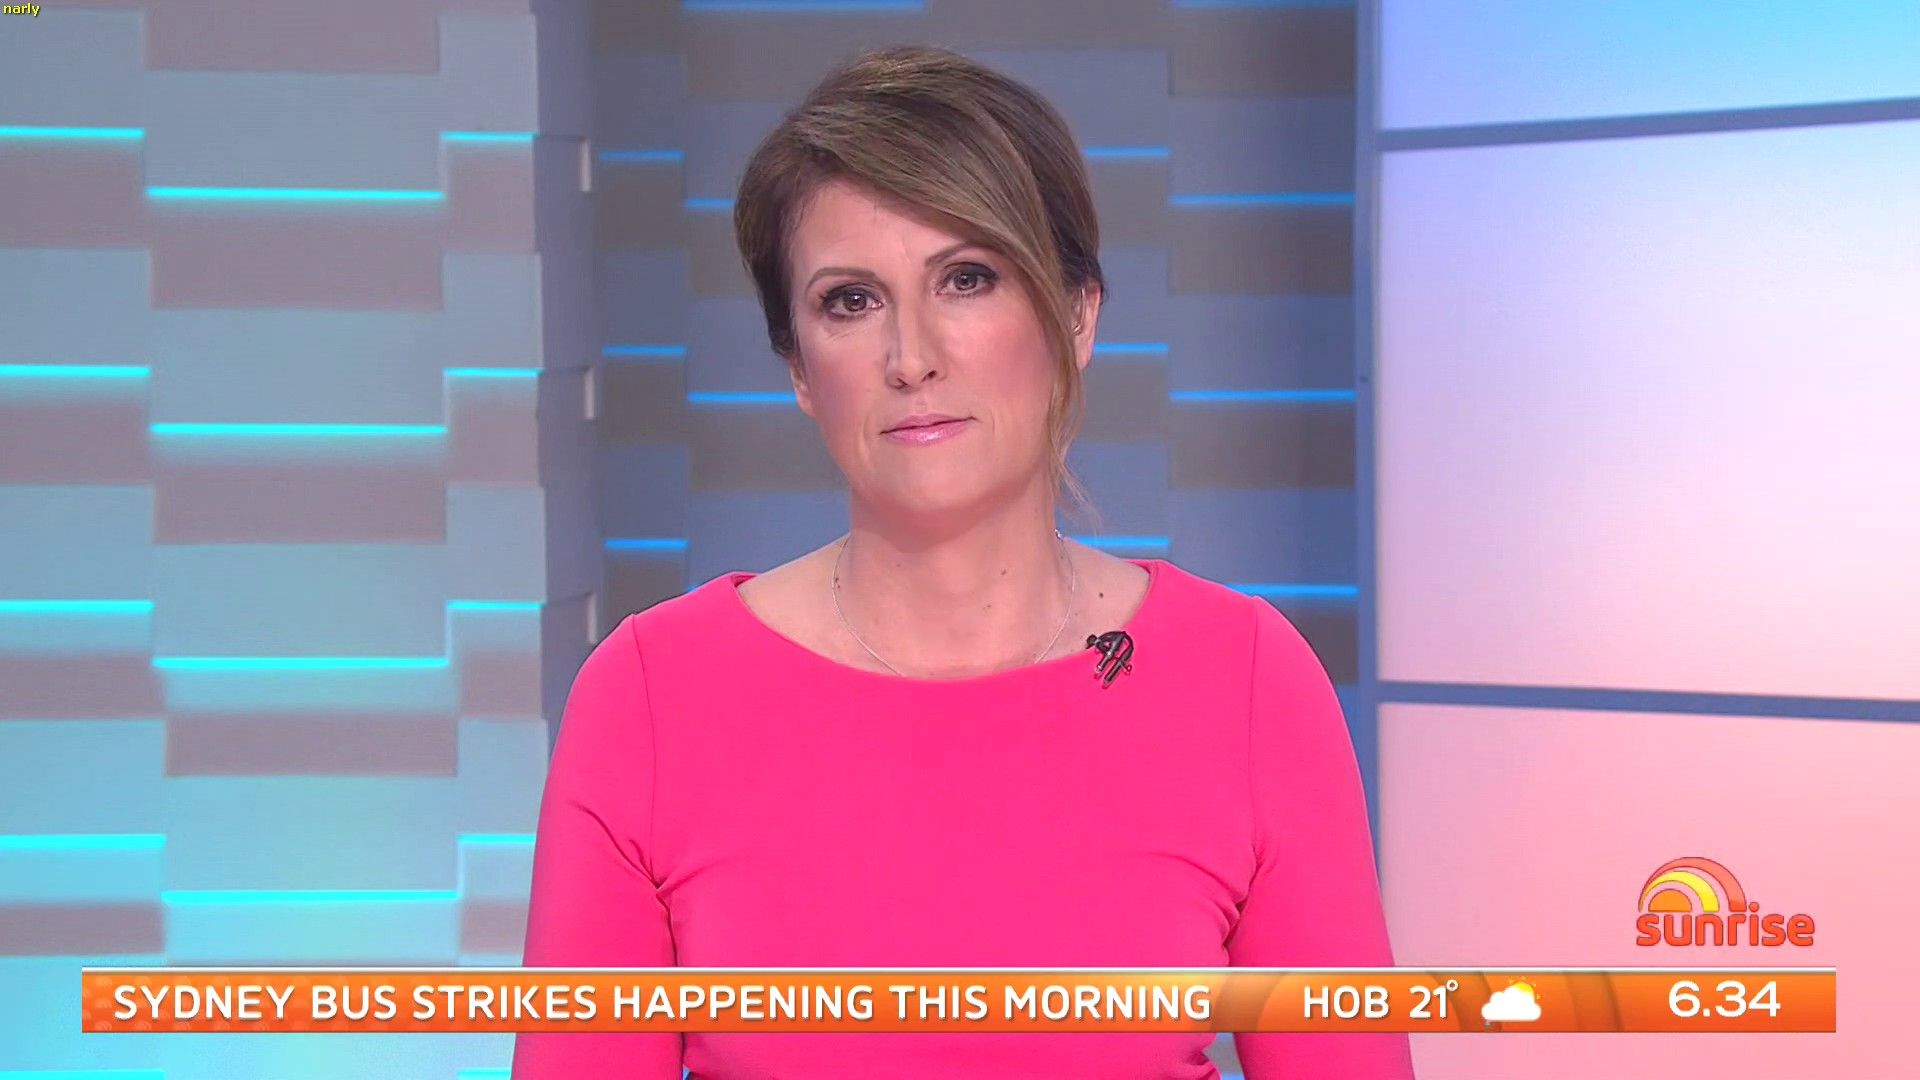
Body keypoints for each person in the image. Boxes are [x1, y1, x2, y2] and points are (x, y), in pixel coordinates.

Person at [512, 44, 1412, 1079]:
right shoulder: (650, 699)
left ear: (1078, 313)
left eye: (967, 279)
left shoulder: (1246, 679)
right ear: (799, 367)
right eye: (851, 301)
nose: (913, 358)